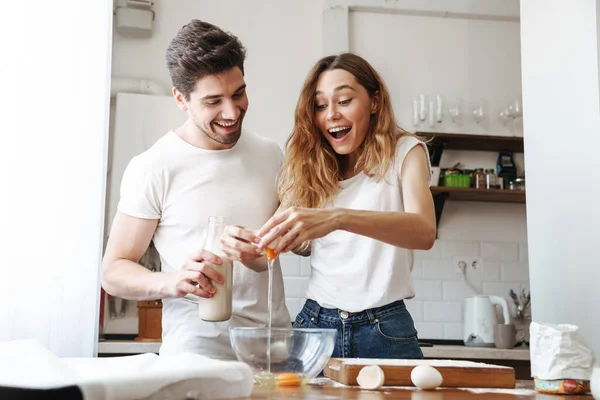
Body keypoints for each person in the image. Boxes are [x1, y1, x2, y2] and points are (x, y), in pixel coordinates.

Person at [102, 19, 290, 359]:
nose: (231, 112)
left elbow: (266, 260)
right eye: (213, 101)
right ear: (180, 99)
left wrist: (255, 251)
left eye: (238, 93)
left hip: (272, 347)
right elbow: (113, 271)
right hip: (197, 353)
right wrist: (170, 282)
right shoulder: (154, 166)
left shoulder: (270, 154)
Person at [257, 53, 436, 359]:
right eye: (320, 105)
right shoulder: (309, 163)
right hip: (315, 324)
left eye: (344, 100)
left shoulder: (406, 152)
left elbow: (424, 232)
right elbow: (274, 240)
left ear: (374, 102)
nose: (331, 114)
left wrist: (337, 218)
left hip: (384, 328)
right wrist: (250, 243)